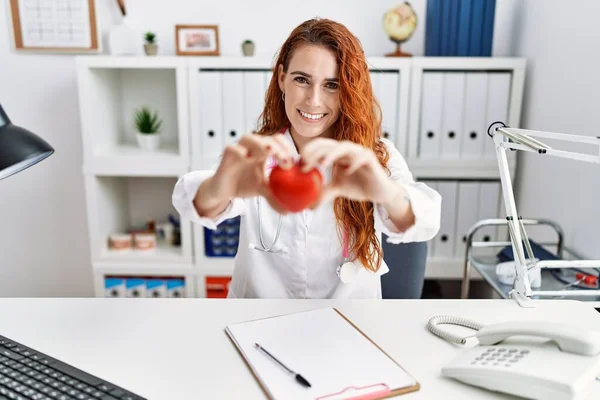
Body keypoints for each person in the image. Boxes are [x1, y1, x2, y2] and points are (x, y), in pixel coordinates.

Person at [172, 18, 441, 299]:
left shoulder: (374, 156)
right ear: (281, 79)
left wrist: (386, 193)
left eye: (332, 85)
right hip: (258, 322)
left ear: (348, 90)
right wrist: (220, 186)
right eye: (302, 79)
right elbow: (196, 203)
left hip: (350, 324)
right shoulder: (258, 155)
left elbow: (426, 219)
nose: (313, 100)